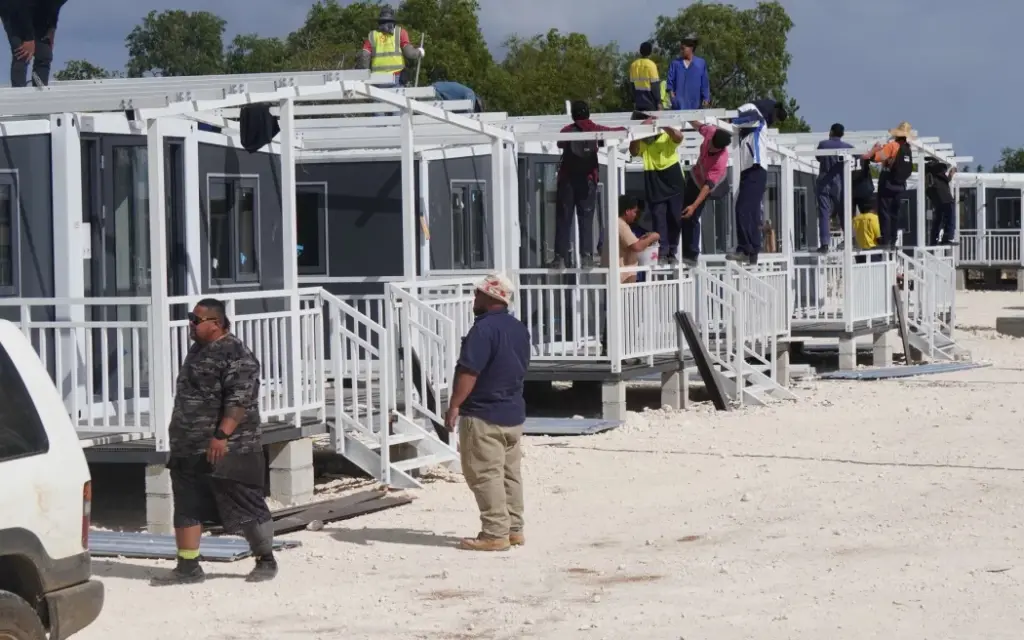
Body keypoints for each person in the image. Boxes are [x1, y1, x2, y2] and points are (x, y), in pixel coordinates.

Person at [152, 299, 277, 586]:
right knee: (187, 505)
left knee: (244, 502)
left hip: (230, 447)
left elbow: (239, 399)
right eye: (190, 319)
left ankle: (266, 559)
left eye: (196, 320)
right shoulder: (197, 350)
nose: (191, 325)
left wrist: (221, 436)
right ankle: (188, 566)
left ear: (216, 323)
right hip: (187, 444)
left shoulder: (236, 354)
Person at [444, 274, 531, 552]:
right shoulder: (518, 328)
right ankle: (513, 529)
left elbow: (470, 371)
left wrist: (455, 404)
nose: (474, 298)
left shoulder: (482, 330)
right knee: (509, 474)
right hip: (512, 410)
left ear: (491, 297)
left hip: (484, 413)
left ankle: (495, 532)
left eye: (478, 293)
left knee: (484, 473)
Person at [549, 100, 626, 269]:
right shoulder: (594, 129)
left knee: (564, 219)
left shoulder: (567, 130)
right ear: (588, 113)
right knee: (586, 219)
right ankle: (586, 257)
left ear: (573, 114)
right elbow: (616, 132)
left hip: (567, 181)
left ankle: (559, 258)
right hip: (588, 180)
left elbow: (559, 143)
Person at [728, 99, 788, 264]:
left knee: (743, 209)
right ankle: (752, 250)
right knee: (752, 212)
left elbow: (740, 117)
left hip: (754, 168)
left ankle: (745, 248)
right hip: (753, 169)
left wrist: (726, 121)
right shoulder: (757, 116)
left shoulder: (756, 116)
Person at [629, 112, 685, 265]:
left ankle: (672, 251)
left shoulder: (664, 135)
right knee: (658, 219)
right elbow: (633, 151)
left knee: (675, 217)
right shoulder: (643, 142)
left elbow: (679, 137)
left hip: (673, 181)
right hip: (654, 181)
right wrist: (639, 131)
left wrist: (662, 123)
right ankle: (663, 251)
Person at [680, 120, 731, 265]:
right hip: (696, 175)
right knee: (682, 211)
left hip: (710, 186)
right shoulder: (710, 132)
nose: (709, 147)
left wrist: (694, 206)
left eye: (713, 148)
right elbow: (698, 125)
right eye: (709, 144)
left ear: (720, 149)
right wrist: (686, 115)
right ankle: (680, 249)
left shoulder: (720, 160)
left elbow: (708, 186)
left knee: (693, 215)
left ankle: (691, 255)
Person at [866, 121, 914, 249]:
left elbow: (876, 157)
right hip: (900, 185)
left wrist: (874, 150)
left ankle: (886, 239)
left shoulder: (892, 146)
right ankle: (893, 239)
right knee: (895, 213)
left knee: (884, 212)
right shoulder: (908, 149)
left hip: (888, 182)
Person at [1, 0, 67, 88]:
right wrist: (28, 38)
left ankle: (40, 91)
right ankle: (19, 94)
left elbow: (54, 7)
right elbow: (20, 6)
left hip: (36, 13)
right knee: (23, 53)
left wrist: (51, 29)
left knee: (44, 54)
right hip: (13, 9)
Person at [356, 5, 424, 86]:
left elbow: (364, 55)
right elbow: (410, 53)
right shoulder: (400, 32)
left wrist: (364, 76)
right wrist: (420, 52)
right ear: (393, 20)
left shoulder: (372, 35)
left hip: (377, 78)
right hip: (396, 77)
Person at [815, 123, 853, 254]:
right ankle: (849, 239)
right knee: (844, 212)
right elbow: (858, 156)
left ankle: (825, 244)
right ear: (842, 134)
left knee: (824, 213)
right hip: (839, 183)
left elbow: (818, 157)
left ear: (830, 132)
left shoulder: (823, 144)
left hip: (824, 181)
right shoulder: (847, 147)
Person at [666, 34, 710, 111]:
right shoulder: (675, 63)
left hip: (696, 105)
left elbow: (705, 84)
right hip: (678, 107)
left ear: (691, 48)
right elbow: (670, 83)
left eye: (683, 49)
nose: (681, 51)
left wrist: (706, 98)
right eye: (680, 49)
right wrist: (673, 97)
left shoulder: (700, 63)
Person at [628, 41, 667, 112]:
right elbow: (655, 86)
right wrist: (658, 102)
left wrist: (633, 101)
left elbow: (632, 85)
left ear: (640, 51)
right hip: (650, 102)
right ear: (650, 52)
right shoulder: (651, 65)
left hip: (638, 102)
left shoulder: (633, 65)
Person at [925, 158, 957, 245]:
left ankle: (933, 240)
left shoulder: (929, 173)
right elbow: (944, 180)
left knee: (938, 218)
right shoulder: (938, 172)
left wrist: (950, 175)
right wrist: (951, 173)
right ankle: (948, 237)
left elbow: (944, 180)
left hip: (936, 198)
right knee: (950, 217)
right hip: (945, 197)